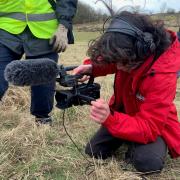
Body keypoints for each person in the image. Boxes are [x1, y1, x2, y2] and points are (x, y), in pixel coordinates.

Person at [73, 11, 180, 173]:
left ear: (142, 51)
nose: (118, 67)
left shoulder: (163, 76)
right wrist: (92, 68)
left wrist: (110, 119)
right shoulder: (132, 53)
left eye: (124, 63)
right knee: (95, 151)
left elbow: (150, 126)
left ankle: (146, 143)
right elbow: (114, 61)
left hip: (153, 124)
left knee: (147, 163)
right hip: (126, 111)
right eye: (116, 61)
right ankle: (130, 135)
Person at [0, 0, 77, 124]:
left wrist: (63, 26)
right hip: (5, 28)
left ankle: (42, 120)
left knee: (43, 79)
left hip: (44, 30)